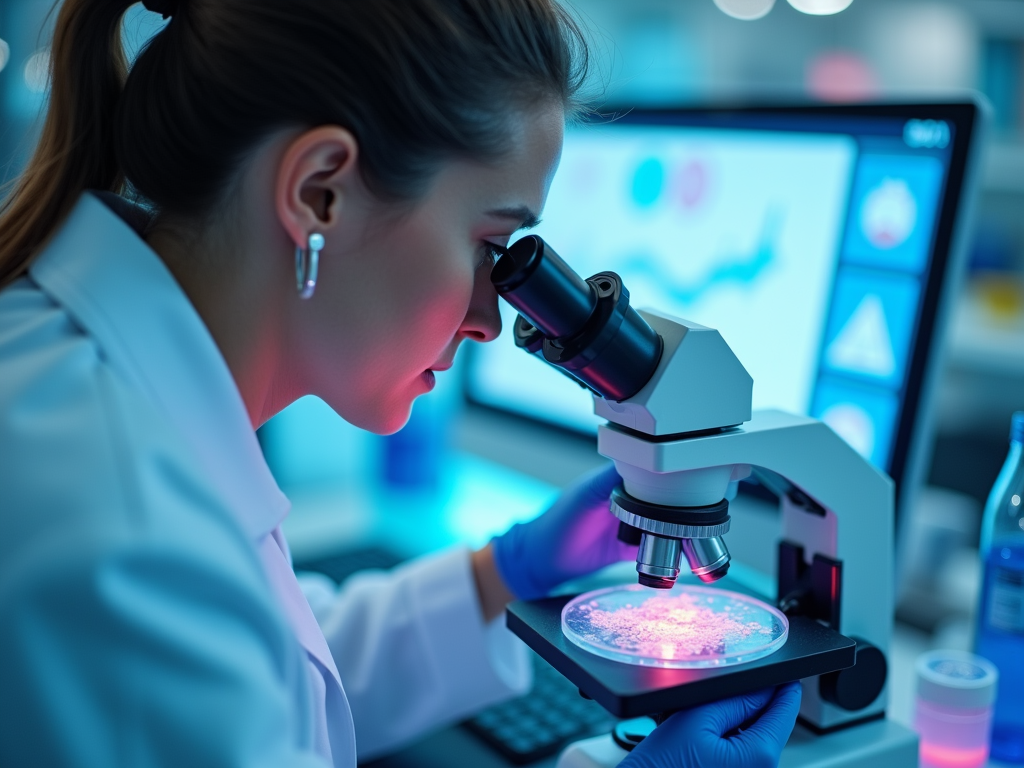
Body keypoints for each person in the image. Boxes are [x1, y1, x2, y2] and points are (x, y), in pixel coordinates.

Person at [0, 0, 801, 765]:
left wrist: (507, 570)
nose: (493, 320)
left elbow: (268, 668)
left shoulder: (97, 389)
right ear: (320, 193)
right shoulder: (122, 536)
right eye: (493, 242)